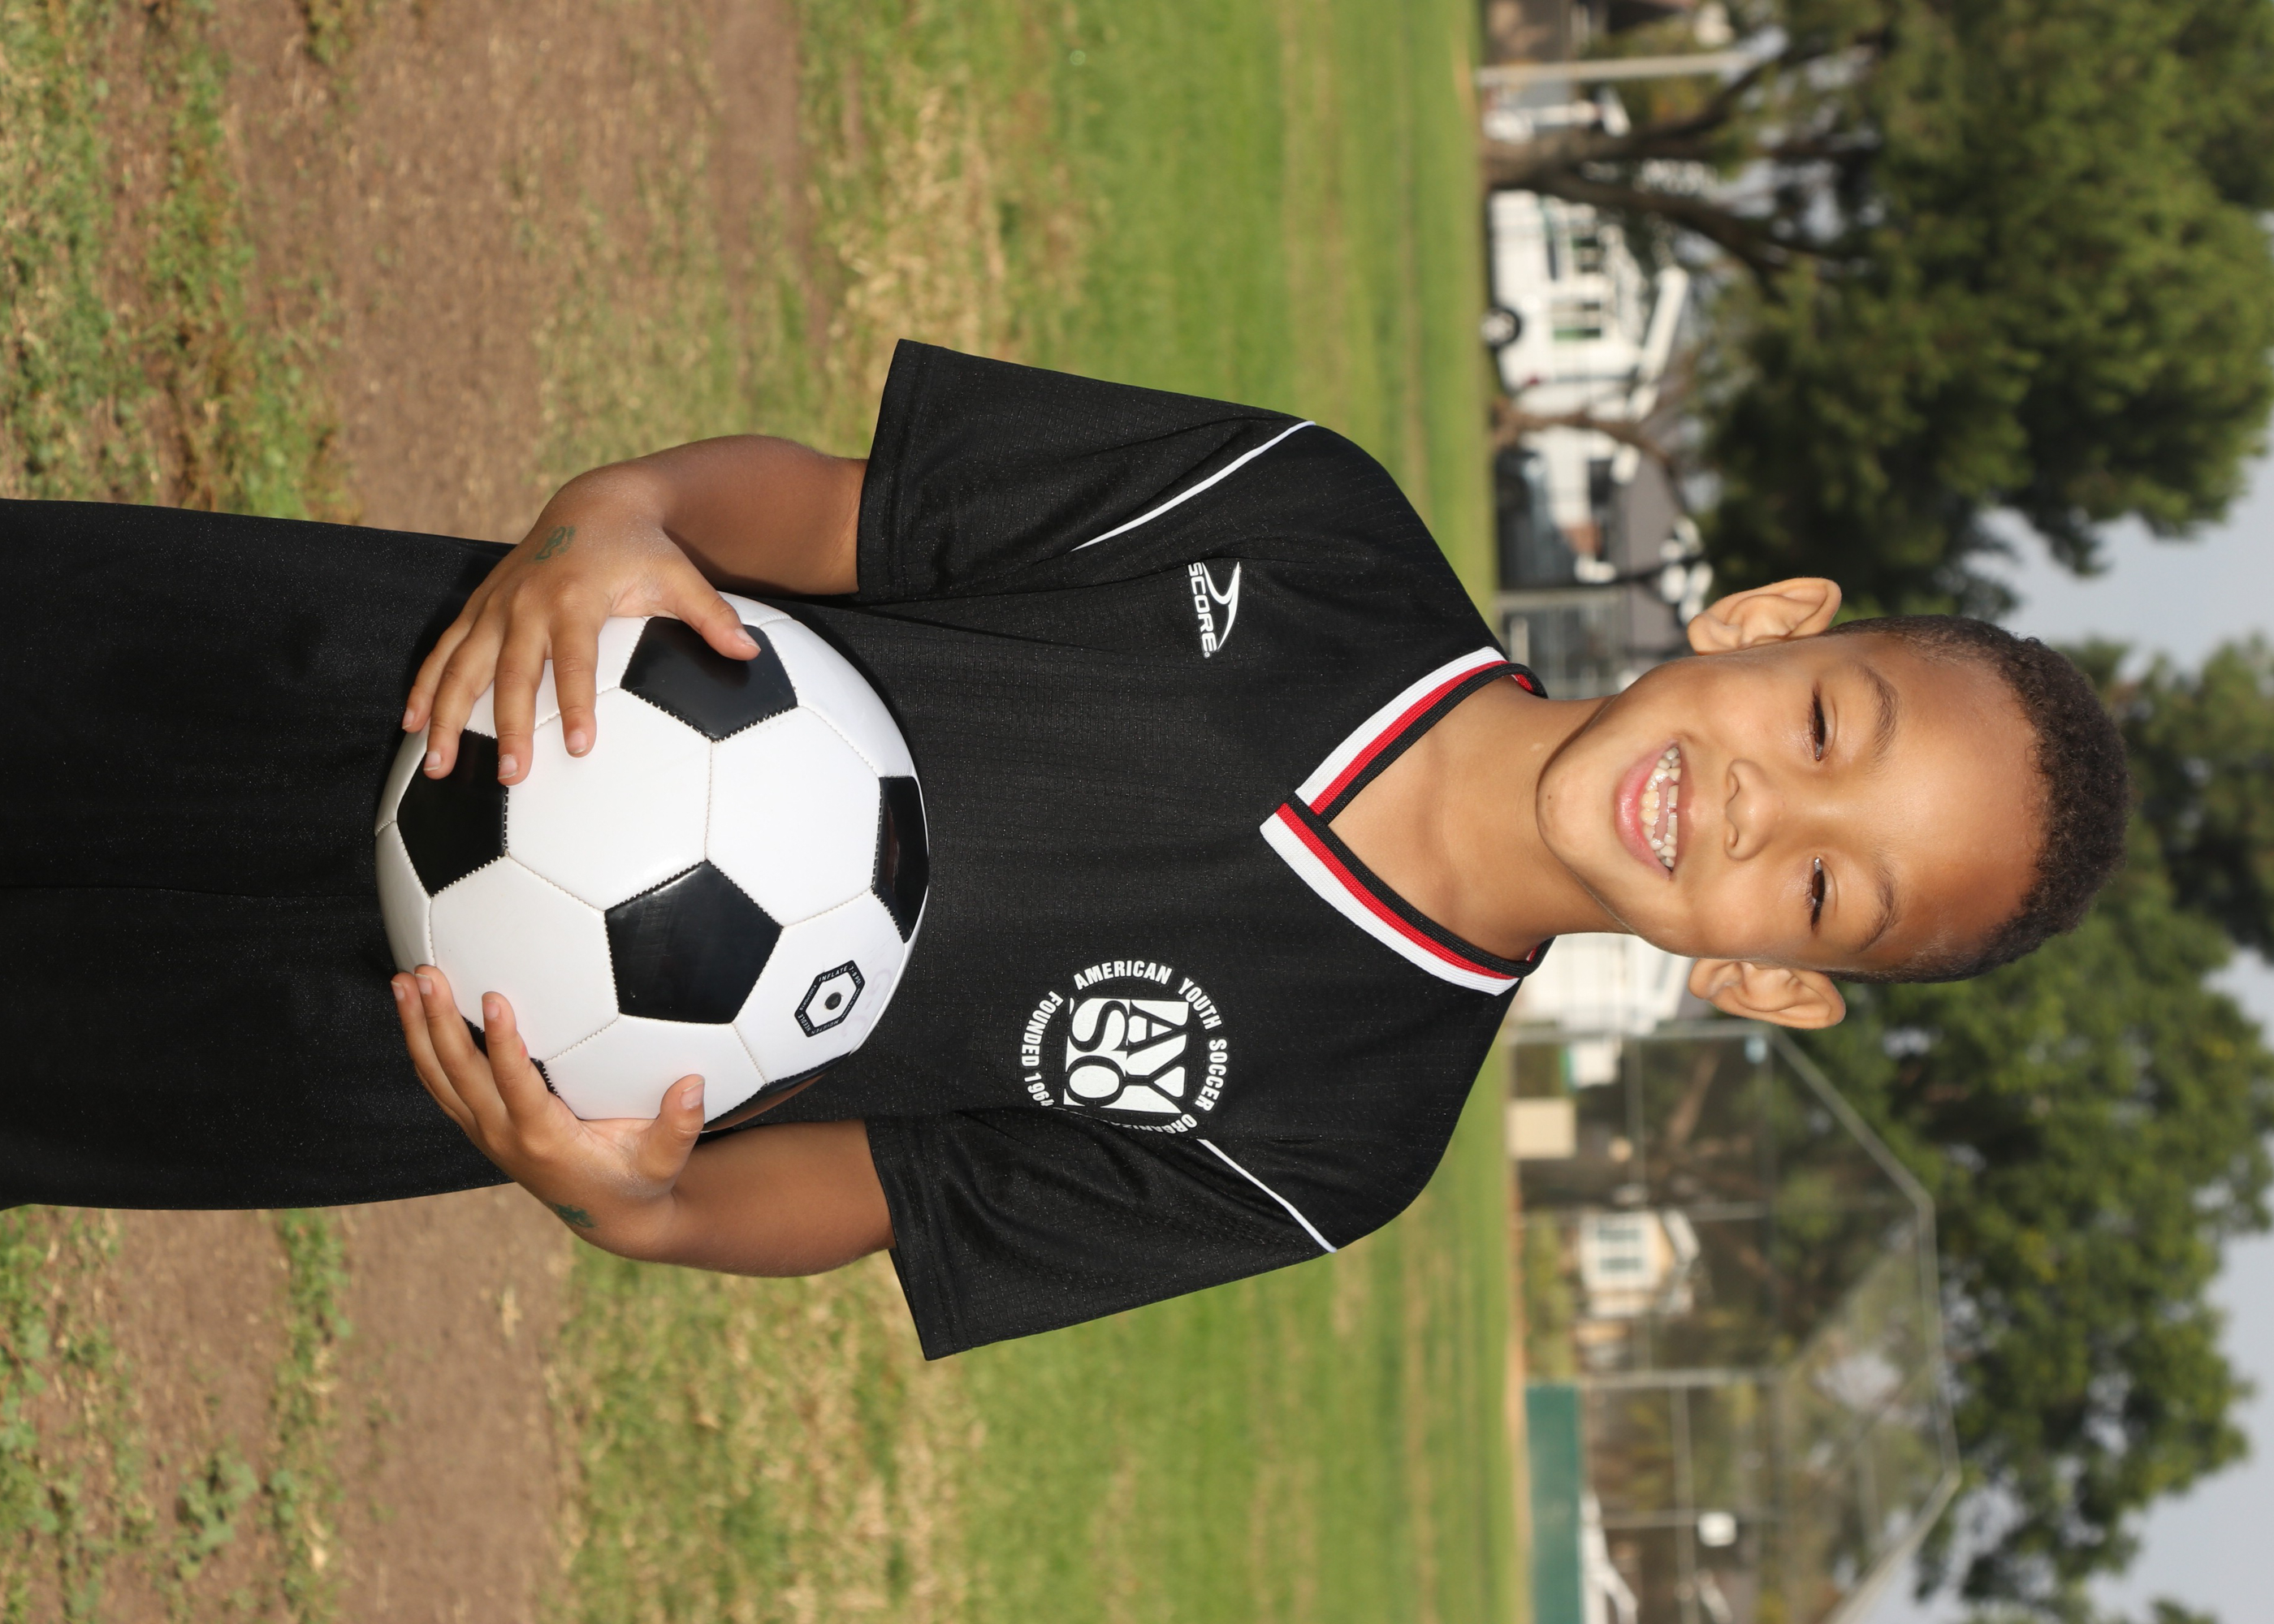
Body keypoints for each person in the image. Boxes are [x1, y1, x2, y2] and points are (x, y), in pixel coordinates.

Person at [0, 343, 2130, 1358]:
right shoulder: (1311, 524)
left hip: (425, 1060)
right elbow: (819, 514)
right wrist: (610, 522)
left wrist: (636, 1207)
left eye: (1821, 886)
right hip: (400, 673)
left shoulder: (1337, 1142)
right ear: (1764, 626)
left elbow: (883, 1196)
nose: (1757, 808)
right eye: (1824, 731)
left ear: (1767, 980)